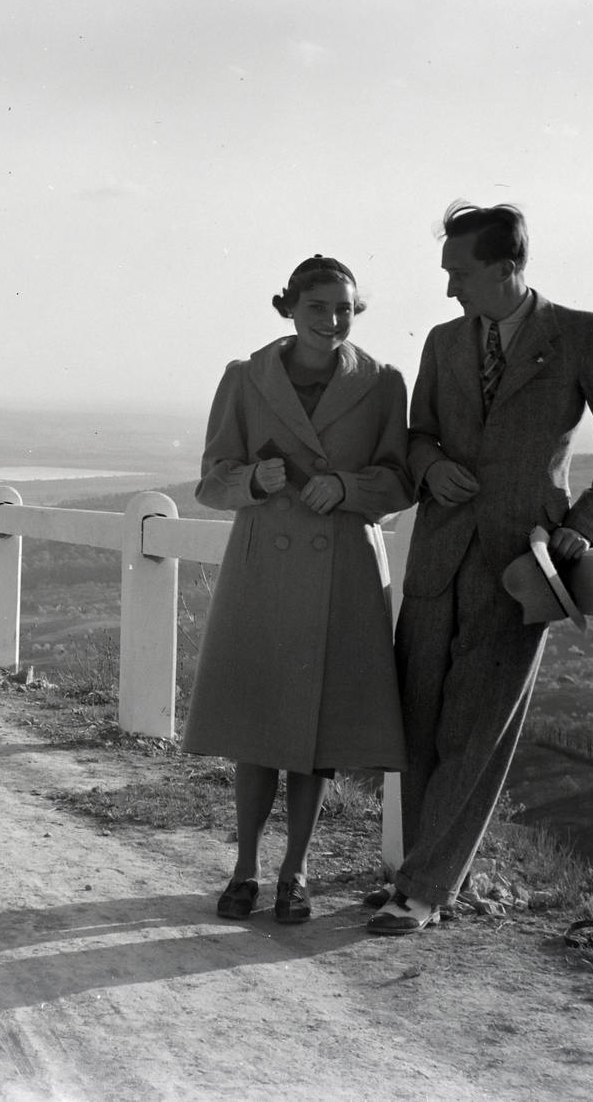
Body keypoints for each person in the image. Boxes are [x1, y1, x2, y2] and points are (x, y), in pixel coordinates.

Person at [367, 203, 593, 935]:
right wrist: (431, 465)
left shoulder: (580, 335)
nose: (450, 289)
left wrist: (584, 526)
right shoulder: (441, 341)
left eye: (459, 273)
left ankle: (424, 890)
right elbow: (417, 434)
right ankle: (415, 872)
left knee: (478, 729)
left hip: (520, 567)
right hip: (437, 556)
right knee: (418, 717)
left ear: (505, 268)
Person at [183, 254, 415, 925]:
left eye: (344, 308)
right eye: (318, 307)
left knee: (315, 734)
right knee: (257, 727)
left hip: (342, 565)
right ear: (289, 307)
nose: (333, 321)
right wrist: (256, 480)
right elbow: (211, 478)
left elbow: (401, 481)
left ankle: (297, 872)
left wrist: (346, 487)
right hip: (265, 569)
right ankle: (246, 866)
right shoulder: (245, 378)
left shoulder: (382, 383)